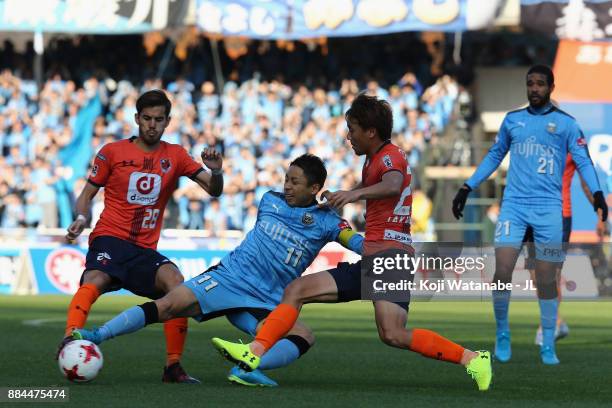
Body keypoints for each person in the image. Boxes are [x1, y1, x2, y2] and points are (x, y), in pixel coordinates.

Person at [211, 93, 493, 391]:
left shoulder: (389, 156)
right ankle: (473, 359)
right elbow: (377, 184)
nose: (349, 136)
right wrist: (342, 195)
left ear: (371, 131)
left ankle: (254, 351)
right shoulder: (375, 160)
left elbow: (393, 184)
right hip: (387, 258)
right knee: (388, 331)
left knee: (306, 295)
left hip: (387, 258)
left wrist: (353, 196)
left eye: (353, 129)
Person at [73, 154, 364, 387]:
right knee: (168, 306)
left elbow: (353, 240)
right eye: (286, 179)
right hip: (229, 279)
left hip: (268, 298)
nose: (287, 186)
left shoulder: (327, 221)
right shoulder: (269, 201)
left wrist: (378, 251)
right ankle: (98, 335)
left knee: (304, 335)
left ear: (315, 189)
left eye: (295, 182)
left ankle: (248, 366)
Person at [58, 90, 224, 383]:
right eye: (146, 118)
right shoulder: (112, 152)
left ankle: (173, 366)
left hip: (145, 249)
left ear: (167, 122)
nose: (152, 125)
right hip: (110, 237)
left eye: (159, 119)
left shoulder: (175, 155)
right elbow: (86, 195)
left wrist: (217, 172)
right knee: (94, 280)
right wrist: (81, 218)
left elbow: (214, 190)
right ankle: (71, 338)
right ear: (137, 118)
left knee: (177, 284)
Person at [452, 65, 608, 365]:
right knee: (503, 270)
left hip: (549, 210)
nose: (534, 88)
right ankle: (502, 334)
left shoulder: (567, 124)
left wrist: (599, 195)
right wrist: (467, 187)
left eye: (540, 84)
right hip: (514, 206)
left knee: (547, 279)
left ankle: (548, 342)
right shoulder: (513, 121)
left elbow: (585, 162)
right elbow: (495, 155)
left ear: (550, 87)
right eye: (530, 84)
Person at [525, 154, 607, 346]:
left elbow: (587, 183)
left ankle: (549, 324)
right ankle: (557, 321)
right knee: (535, 274)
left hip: (560, 214)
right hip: (531, 214)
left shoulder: (571, 138)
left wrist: (600, 213)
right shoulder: (532, 137)